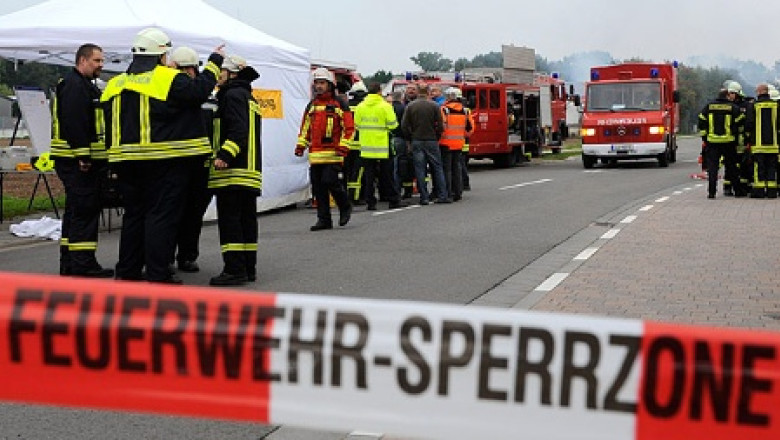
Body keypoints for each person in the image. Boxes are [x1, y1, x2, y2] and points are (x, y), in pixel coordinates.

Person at [100, 28, 223, 283]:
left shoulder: (115, 84)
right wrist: (214, 63)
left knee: (134, 217)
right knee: (161, 217)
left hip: (125, 164)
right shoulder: (167, 78)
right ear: (161, 55)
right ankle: (158, 274)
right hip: (163, 163)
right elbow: (200, 91)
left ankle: (128, 271)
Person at [50, 43, 113, 277]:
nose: (101, 65)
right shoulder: (76, 86)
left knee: (76, 211)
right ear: (82, 60)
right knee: (85, 210)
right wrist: (83, 155)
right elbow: (75, 123)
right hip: (77, 161)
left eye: (102, 61)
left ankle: (70, 263)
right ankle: (83, 265)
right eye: (97, 61)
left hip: (74, 159)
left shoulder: (81, 85)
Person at [208, 55, 263, 285]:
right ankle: (248, 268)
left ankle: (234, 269)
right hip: (250, 171)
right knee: (247, 222)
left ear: (231, 74)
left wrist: (224, 155)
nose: (217, 76)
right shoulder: (248, 96)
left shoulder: (231, 95)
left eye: (221, 71)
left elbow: (238, 130)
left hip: (233, 171)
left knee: (230, 222)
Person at [168, 46, 213, 273]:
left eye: (190, 69)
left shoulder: (207, 97)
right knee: (171, 214)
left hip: (201, 165)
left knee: (194, 215)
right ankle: (166, 257)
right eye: (183, 69)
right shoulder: (170, 92)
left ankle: (187, 256)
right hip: (176, 163)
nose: (188, 74)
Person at [295, 67, 353, 231]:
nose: (318, 86)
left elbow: (349, 128)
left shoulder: (339, 103)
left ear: (329, 84)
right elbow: (305, 127)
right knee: (318, 187)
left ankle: (344, 206)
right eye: (316, 83)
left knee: (330, 181)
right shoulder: (311, 105)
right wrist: (301, 145)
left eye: (322, 83)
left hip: (334, 153)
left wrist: (343, 147)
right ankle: (324, 219)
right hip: (315, 154)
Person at [355, 82, 405, 210]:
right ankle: (393, 199)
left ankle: (370, 202)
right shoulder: (385, 106)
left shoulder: (360, 106)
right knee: (387, 175)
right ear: (379, 91)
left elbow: (357, 125)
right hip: (383, 146)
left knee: (369, 176)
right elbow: (393, 124)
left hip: (366, 146)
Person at [401, 83, 449, 205]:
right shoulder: (434, 106)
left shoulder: (411, 106)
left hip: (417, 140)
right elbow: (440, 125)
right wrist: (436, 136)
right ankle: (443, 195)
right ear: (428, 92)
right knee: (437, 168)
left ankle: (424, 197)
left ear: (417, 92)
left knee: (420, 169)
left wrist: (410, 138)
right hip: (431, 139)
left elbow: (404, 125)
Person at [698, 87, 744, 199]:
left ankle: (711, 192)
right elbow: (740, 122)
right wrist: (735, 134)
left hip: (712, 142)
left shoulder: (709, 107)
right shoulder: (733, 107)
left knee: (713, 168)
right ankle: (737, 191)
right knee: (732, 167)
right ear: (727, 96)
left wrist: (705, 137)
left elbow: (701, 120)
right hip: (729, 142)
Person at [744, 83, 779, 198]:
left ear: (759, 92)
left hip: (758, 145)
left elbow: (749, 124)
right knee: (772, 168)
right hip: (773, 144)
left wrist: (748, 138)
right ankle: (772, 192)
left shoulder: (753, 106)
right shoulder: (776, 105)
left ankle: (759, 191)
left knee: (759, 167)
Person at [439, 87, 473, 202]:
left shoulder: (444, 110)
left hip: (445, 143)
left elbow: (440, 127)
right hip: (459, 143)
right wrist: (462, 135)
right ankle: (458, 192)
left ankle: (448, 193)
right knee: (457, 168)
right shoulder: (465, 111)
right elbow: (470, 129)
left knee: (447, 169)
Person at [346, 80, 368, 205]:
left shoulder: (346, 106)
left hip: (347, 145)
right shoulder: (364, 108)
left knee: (348, 172)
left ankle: (349, 195)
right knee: (359, 173)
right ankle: (356, 197)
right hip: (361, 144)